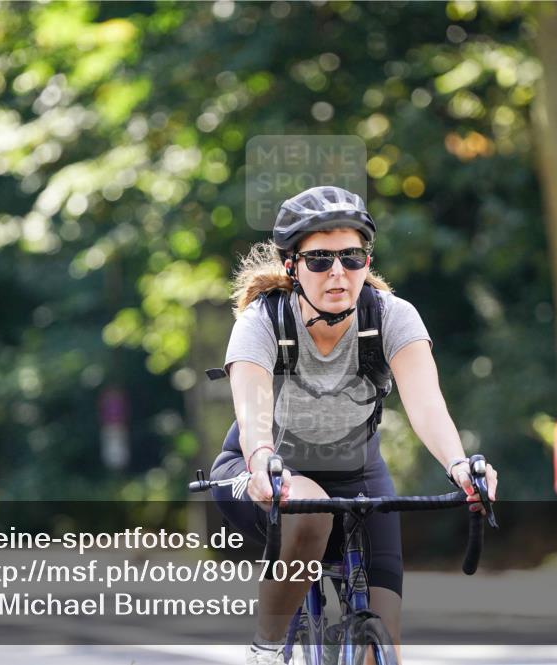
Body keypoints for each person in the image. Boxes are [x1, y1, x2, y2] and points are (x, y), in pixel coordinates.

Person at [209, 185, 499, 665]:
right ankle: (266, 647)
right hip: (262, 471)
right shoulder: (263, 321)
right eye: (320, 260)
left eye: (352, 257)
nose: (338, 272)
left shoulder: (391, 316)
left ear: (368, 261)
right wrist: (260, 461)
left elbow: (427, 405)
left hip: (359, 475)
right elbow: (253, 411)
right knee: (311, 512)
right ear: (292, 266)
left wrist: (459, 466)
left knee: (384, 641)